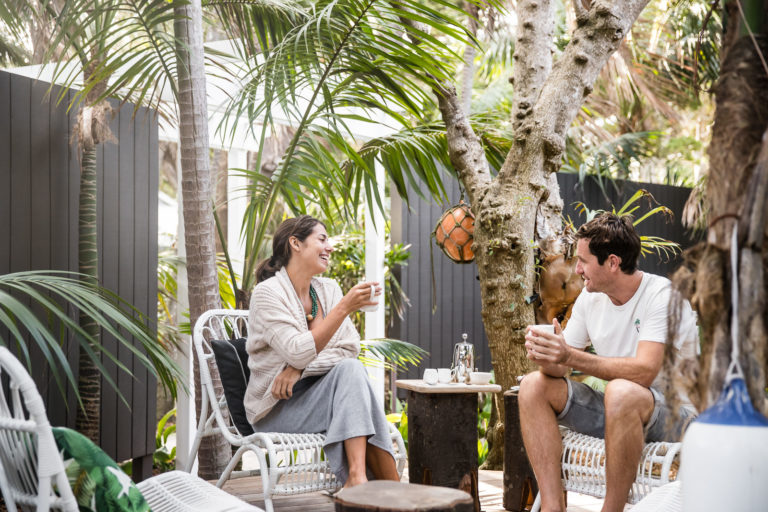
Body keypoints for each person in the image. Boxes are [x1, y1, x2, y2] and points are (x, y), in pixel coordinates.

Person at [519, 213, 698, 512]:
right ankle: (551, 507)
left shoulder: (661, 296)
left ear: (612, 262)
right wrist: (546, 354)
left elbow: (644, 370)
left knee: (622, 391)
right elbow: (560, 369)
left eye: (583, 261)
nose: (577, 270)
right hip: (621, 412)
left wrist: (569, 356)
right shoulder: (591, 299)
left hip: (677, 418)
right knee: (532, 386)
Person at [242, 215, 398, 487]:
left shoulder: (327, 289)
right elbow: (296, 350)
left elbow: (349, 349)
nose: (330, 247)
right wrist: (345, 308)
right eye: (322, 239)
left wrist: (298, 369)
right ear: (296, 243)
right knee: (357, 394)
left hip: (323, 397)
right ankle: (393, 491)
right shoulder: (268, 294)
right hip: (277, 407)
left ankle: (358, 478)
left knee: (351, 370)